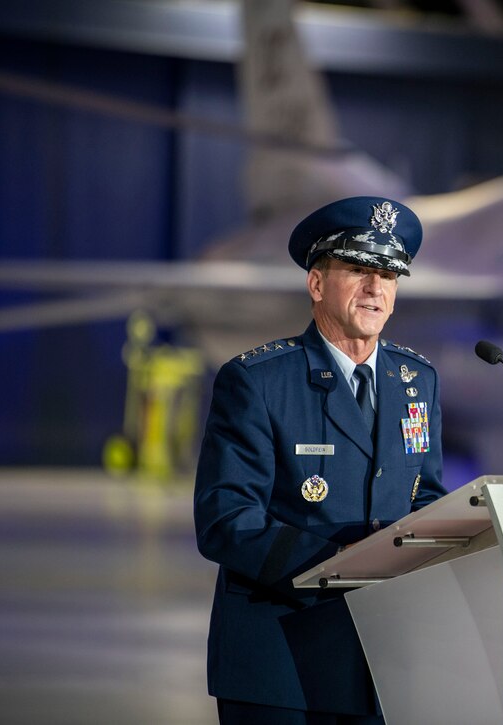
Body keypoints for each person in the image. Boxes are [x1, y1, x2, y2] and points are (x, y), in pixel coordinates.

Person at [194, 196, 445, 724]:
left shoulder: (416, 381)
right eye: (357, 270)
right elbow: (226, 520)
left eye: (389, 275)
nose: (375, 289)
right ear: (316, 284)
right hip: (281, 662)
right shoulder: (259, 382)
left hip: (382, 660)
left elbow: (425, 492)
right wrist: (338, 563)